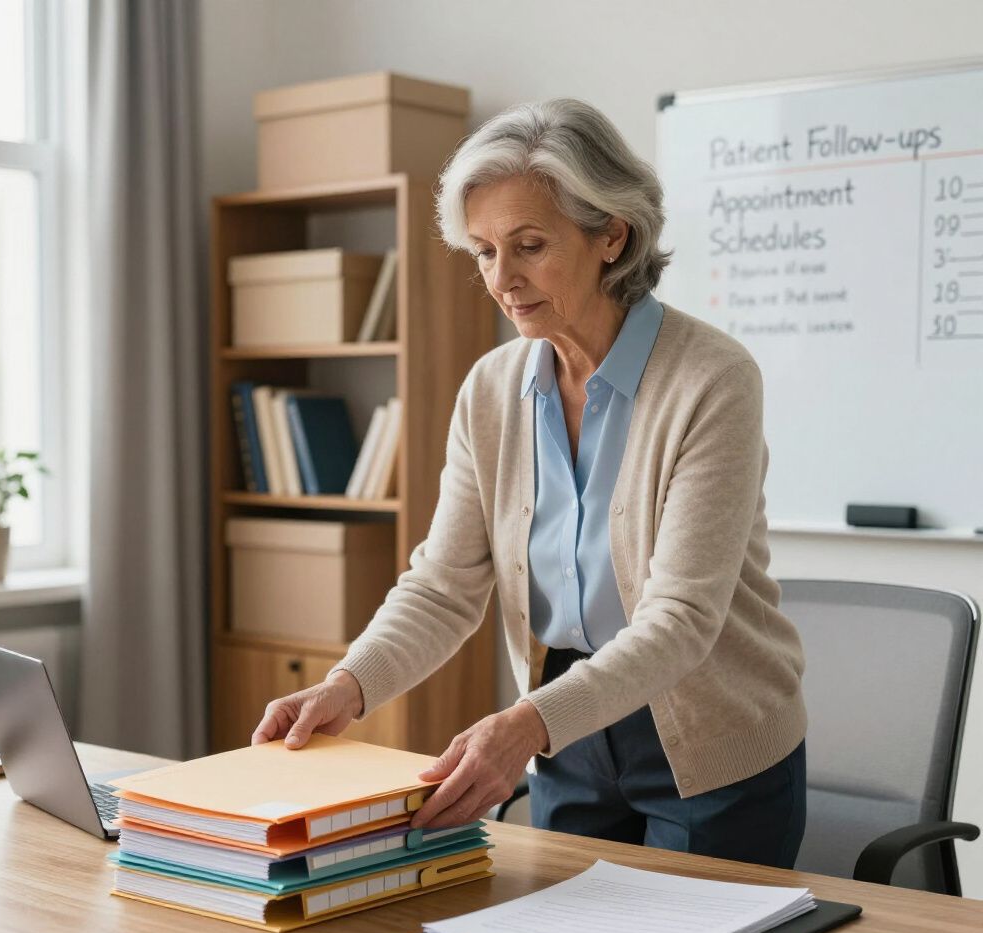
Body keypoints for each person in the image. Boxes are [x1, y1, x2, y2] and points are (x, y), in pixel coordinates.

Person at [252, 98, 808, 869]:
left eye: (530, 245)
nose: (501, 279)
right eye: (482, 251)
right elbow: (443, 585)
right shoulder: (491, 390)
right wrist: (349, 685)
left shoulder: (711, 380)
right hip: (567, 729)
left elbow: (680, 620)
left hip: (707, 738)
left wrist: (522, 727)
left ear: (611, 233)